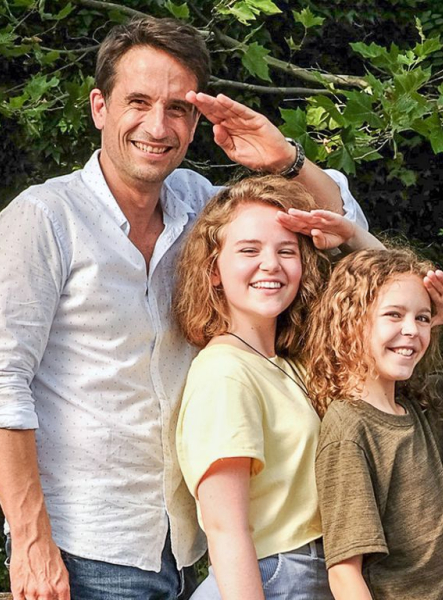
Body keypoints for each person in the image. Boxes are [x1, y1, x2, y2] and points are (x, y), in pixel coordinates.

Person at [0, 16, 367, 600]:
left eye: (177, 108)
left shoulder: (201, 207)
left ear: (196, 122)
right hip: (84, 549)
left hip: (183, 548)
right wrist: (30, 542)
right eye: (138, 102)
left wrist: (286, 160)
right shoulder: (43, 219)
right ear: (99, 107)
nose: (157, 126)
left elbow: (336, 230)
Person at [174, 175, 380, 599]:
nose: (271, 264)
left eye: (286, 251)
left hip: (313, 574)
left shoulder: (291, 364)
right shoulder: (224, 374)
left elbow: (403, 294)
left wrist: (351, 235)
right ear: (213, 271)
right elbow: (225, 528)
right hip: (271, 578)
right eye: (249, 250)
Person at [305, 248, 443, 600]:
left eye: (423, 318)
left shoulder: (429, 404)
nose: (411, 330)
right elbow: (345, 574)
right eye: (394, 314)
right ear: (349, 321)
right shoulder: (349, 429)